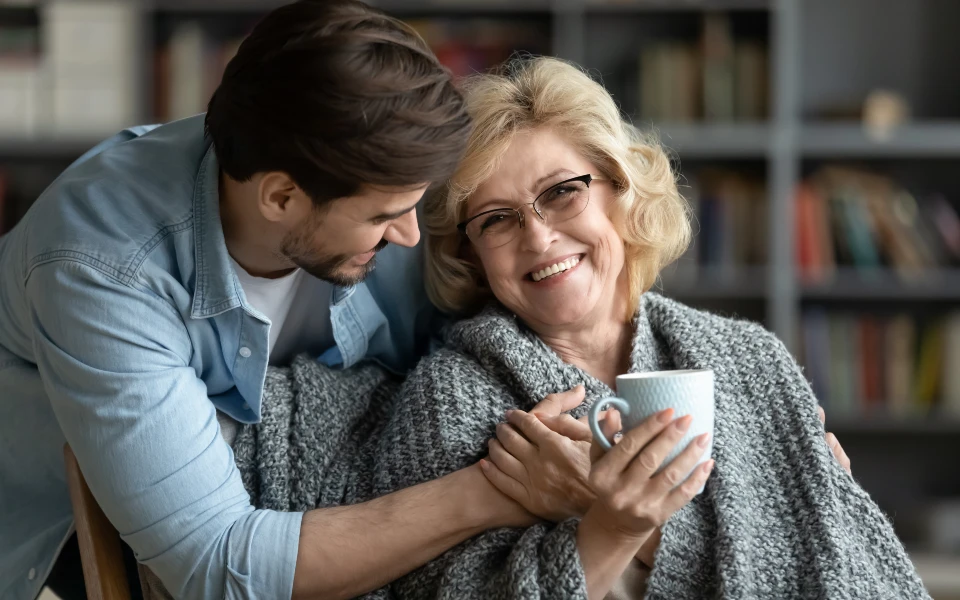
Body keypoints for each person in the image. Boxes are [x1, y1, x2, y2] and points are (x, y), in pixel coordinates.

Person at [234, 57, 912, 600]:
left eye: (562, 192)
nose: (538, 237)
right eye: (497, 219)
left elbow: (849, 565)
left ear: (621, 189)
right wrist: (611, 530)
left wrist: (658, 525)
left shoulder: (749, 360)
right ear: (470, 255)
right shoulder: (452, 399)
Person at [0, 3, 575, 599]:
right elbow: (219, 568)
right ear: (280, 198)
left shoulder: (367, 166)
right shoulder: (102, 269)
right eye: (383, 217)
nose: (411, 236)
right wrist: (493, 489)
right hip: (97, 540)